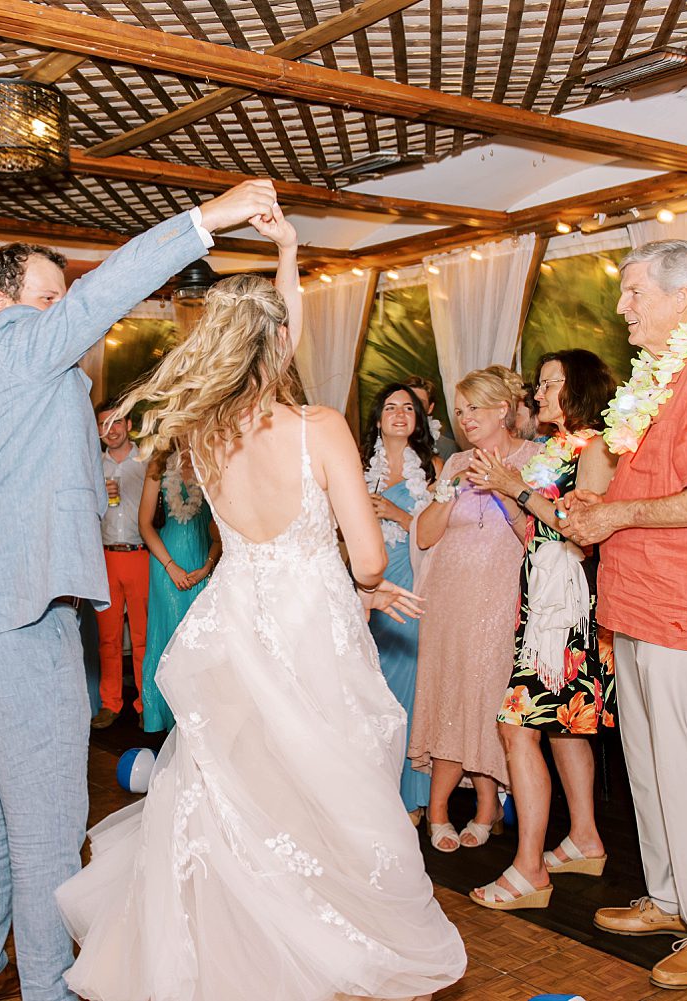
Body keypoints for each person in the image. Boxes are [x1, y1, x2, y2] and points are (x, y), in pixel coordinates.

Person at [57, 204, 467, 1001]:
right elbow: (371, 552)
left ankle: (228, 955)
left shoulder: (205, 432)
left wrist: (288, 251)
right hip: (309, 622)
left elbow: (277, 341)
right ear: (279, 345)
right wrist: (371, 578)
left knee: (237, 789)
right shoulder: (319, 428)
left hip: (238, 615)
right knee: (321, 786)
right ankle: (322, 951)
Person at [0, 179, 282, 1001]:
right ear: (0, 300)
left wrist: (101, 431)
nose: (63, 314)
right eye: (48, 298)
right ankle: (52, 989)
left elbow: (37, 476)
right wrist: (207, 219)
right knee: (52, 824)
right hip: (18, 613)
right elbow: (103, 294)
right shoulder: (7, 343)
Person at [557, 239, 687, 990]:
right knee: (648, 766)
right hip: (639, 599)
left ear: (683, 299)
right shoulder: (662, 376)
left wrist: (617, 515)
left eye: (634, 292)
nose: (623, 307)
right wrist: (599, 506)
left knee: (685, 768)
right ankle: (673, 897)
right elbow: (645, 487)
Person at [461, 349, 617, 909]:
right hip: (544, 598)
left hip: (567, 613)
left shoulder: (596, 447)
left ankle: (530, 870)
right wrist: (507, 492)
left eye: (551, 384)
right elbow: (534, 526)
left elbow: (583, 533)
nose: (539, 393)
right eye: (540, 383)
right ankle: (584, 839)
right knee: (564, 728)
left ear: (578, 390)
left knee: (517, 729)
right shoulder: (555, 450)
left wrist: (514, 487)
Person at [408, 368, 538, 853]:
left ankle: (488, 809)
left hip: (501, 596)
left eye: (474, 410)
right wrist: (451, 488)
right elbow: (424, 536)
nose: (465, 420)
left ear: (502, 410)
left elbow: (537, 533)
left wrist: (504, 485)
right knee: (449, 692)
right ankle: (438, 811)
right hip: (449, 598)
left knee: (488, 695)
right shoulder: (455, 461)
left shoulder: (534, 458)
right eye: (459, 412)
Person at [360, 382, 441, 818]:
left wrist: (397, 514)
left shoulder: (434, 471)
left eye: (408, 408)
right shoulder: (358, 471)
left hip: (412, 588)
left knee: (407, 689)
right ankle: (374, 789)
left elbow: (442, 535)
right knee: (370, 690)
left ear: (419, 419)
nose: (399, 413)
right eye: (390, 407)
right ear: (377, 420)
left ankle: (411, 796)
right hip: (369, 589)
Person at [135, 447, 218, 732]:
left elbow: (222, 525)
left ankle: (197, 721)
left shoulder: (212, 458)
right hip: (165, 563)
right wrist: (170, 566)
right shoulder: (159, 463)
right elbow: (145, 524)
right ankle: (164, 721)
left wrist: (208, 565)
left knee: (199, 640)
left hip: (201, 559)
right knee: (168, 635)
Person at [92, 400, 148, 728]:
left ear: (128, 424)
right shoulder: (93, 466)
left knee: (142, 635)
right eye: (103, 425)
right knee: (108, 638)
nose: (110, 430)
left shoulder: (147, 460)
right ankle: (110, 702)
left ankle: (145, 704)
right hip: (104, 556)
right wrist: (98, 494)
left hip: (140, 553)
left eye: (116, 423)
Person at [403, 374, 457, 460]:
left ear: (430, 408)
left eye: (419, 402)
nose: (413, 406)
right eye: (407, 401)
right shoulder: (382, 440)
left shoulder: (447, 448)